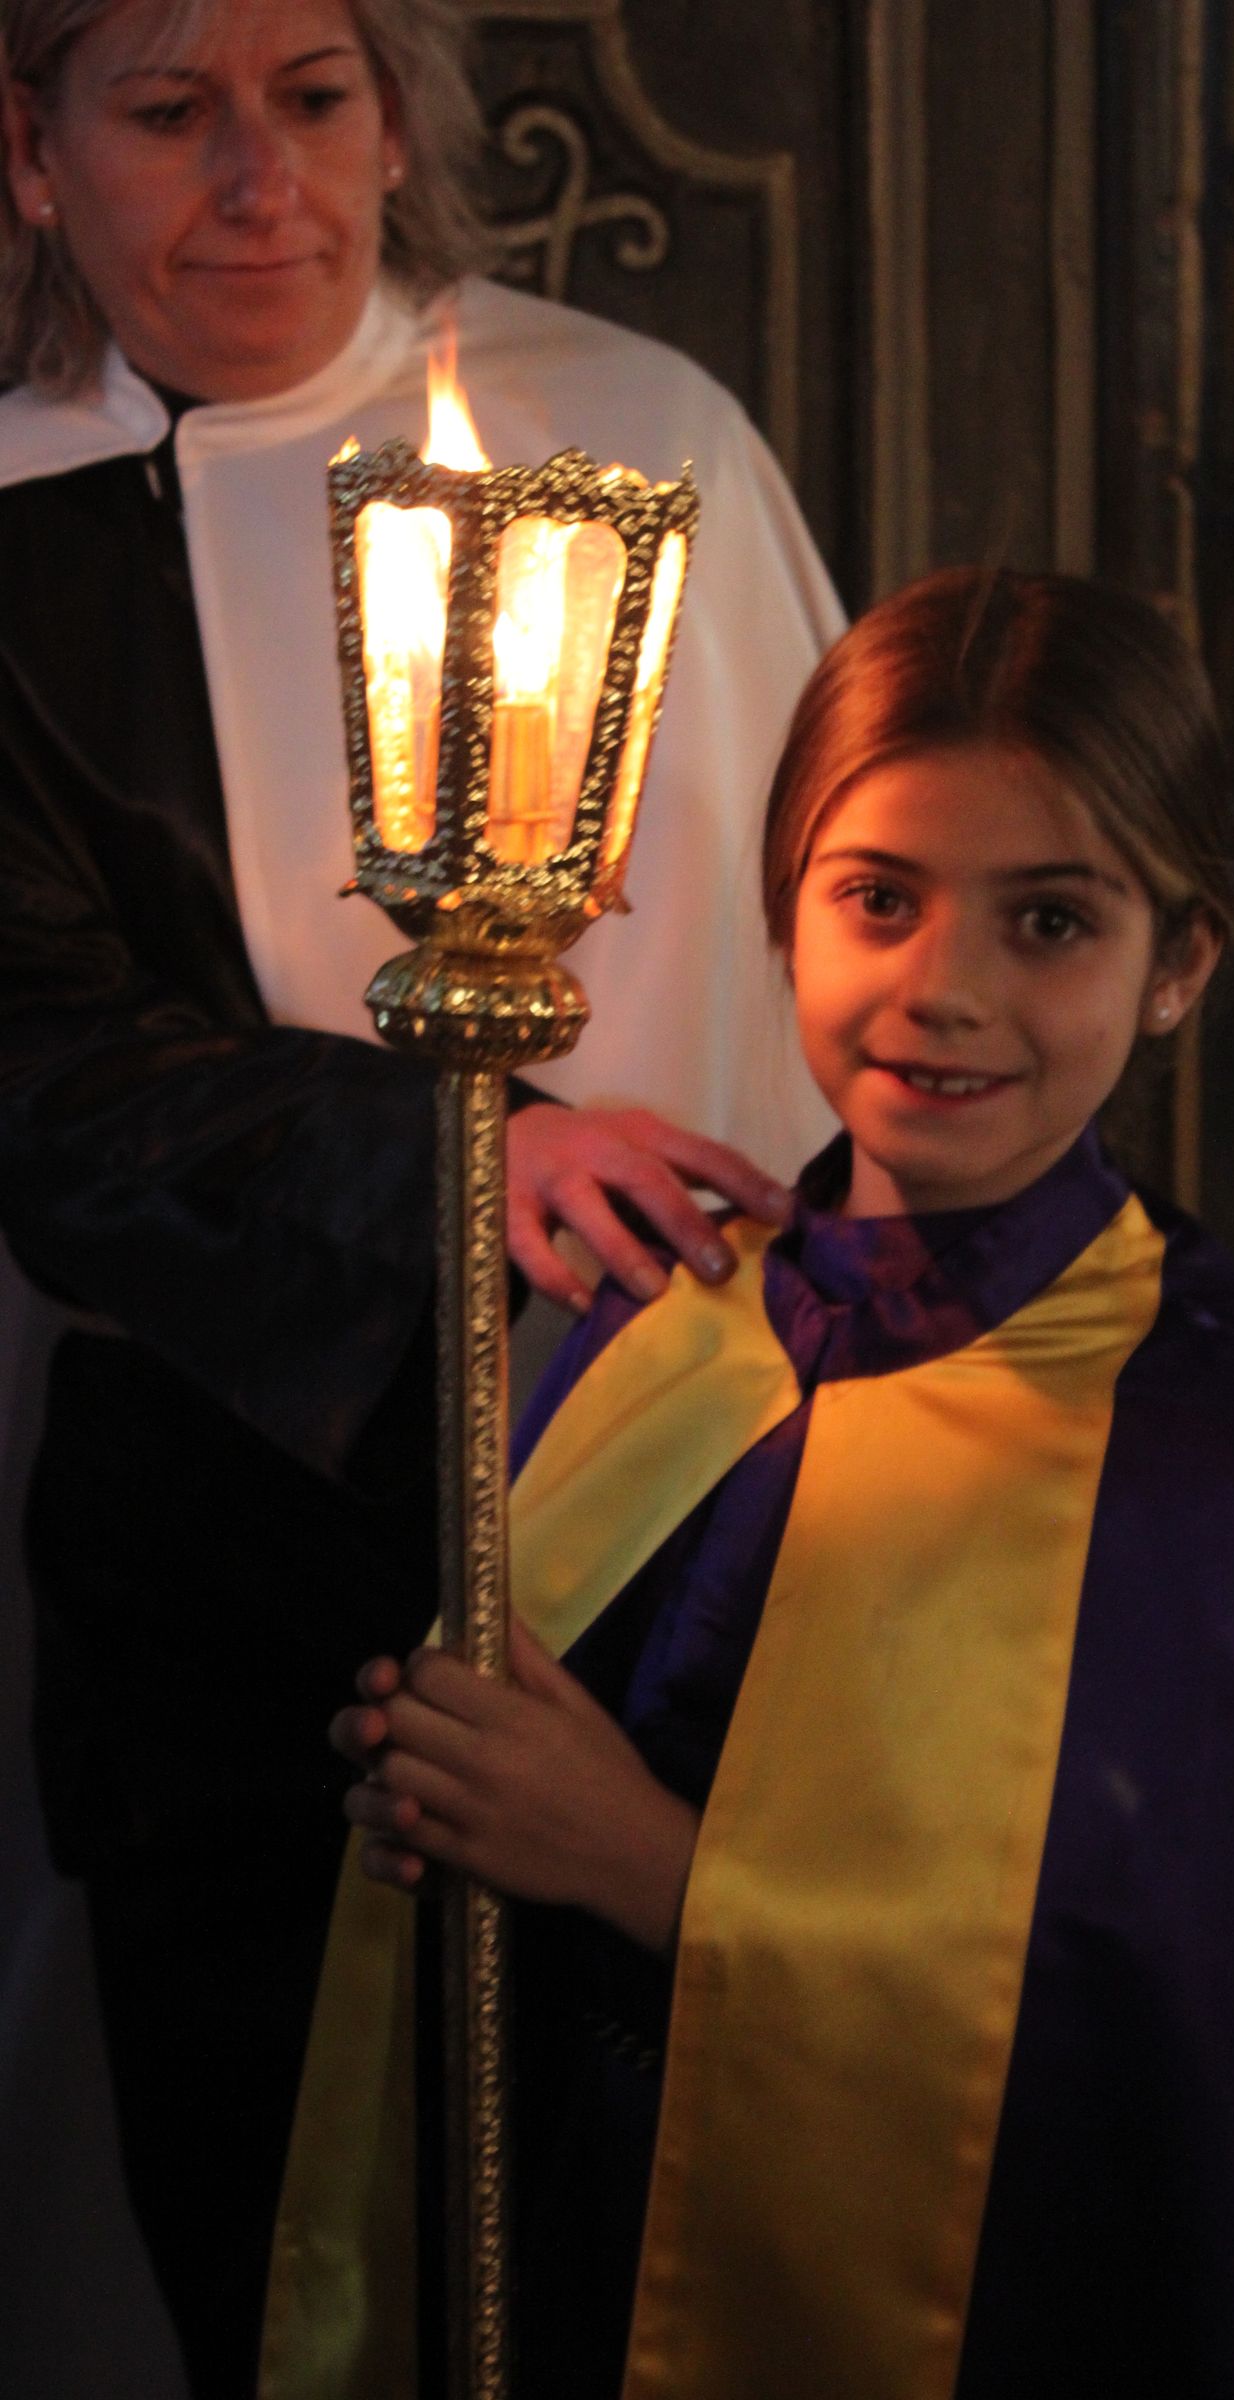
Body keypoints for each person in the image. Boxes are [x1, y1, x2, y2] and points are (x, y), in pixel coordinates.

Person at [306, 569, 1234, 2399]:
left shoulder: (1219, 1448)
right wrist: (451, 1788)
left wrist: (651, 1872)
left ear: (1177, 963)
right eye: (879, 897)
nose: (945, 992)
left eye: (1049, 921)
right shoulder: (681, 1327)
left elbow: (1176, 2057)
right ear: (787, 911)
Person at [0, 0, 839, 2389]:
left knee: (610, 2219)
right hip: (228, 1541)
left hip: (666, 1482)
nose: (260, 175)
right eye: (169, 113)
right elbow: (40, 1072)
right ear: (34, 153)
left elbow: (825, 946)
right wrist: (461, 1152)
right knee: (266, 2227)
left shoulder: (625, 436)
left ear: (396, 127)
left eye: (316, 97)